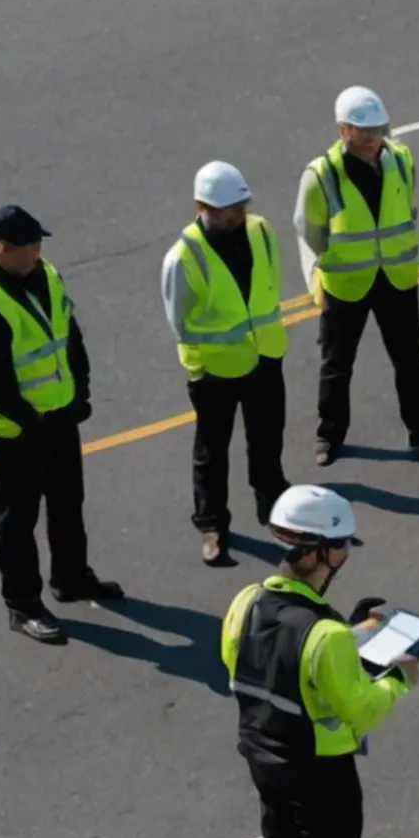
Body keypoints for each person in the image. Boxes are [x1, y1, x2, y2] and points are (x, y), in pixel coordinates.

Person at [222, 484, 419, 838]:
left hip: (261, 754)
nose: (345, 555)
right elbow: (359, 707)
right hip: (320, 771)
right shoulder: (326, 635)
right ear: (315, 552)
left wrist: (347, 629)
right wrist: (399, 679)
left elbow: (258, 659)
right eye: (341, 546)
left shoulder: (245, 602)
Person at [0, 205, 122, 643]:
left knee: (68, 501)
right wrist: (30, 420)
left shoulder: (46, 275)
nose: (37, 252)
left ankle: (70, 578)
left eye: (39, 243)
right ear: (0, 248)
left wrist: (79, 390)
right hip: (16, 430)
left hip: (59, 416)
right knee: (17, 518)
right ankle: (22, 604)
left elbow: (68, 333)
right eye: (28, 246)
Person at [297, 86, 419, 468]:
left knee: (410, 360)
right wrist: (316, 278)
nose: (373, 140)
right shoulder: (322, 175)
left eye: (379, 130)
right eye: (363, 132)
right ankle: (329, 435)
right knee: (337, 364)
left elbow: (408, 208)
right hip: (347, 283)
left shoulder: (401, 159)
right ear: (343, 131)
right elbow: (309, 230)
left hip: (396, 279)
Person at [163, 161, 291, 565]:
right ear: (202, 206)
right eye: (227, 210)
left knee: (268, 436)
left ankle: (273, 504)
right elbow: (179, 321)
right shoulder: (184, 257)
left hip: (265, 354)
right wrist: (198, 368)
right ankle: (212, 522)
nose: (237, 215)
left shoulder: (261, 231)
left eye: (240, 206)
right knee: (212, 450)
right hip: (215, 370)